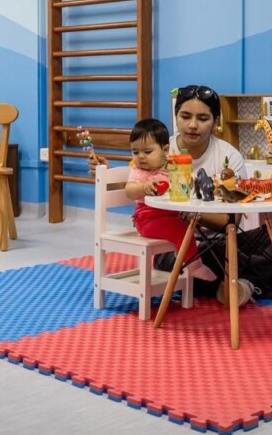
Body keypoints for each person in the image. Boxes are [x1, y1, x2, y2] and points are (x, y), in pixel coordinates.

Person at [88, 84, 256, 304]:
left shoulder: (228, 157)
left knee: (264, 244)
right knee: (182, 260)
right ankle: (233, 286)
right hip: (173, 243)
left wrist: (191, 213)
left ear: (216, 122)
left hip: (218, 239)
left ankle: (227, 285)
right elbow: (133, 183)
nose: (193, 125)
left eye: (203, 118)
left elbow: (230, 221)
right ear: (176, 117)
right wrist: (105, 174)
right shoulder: (158, 151)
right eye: (185, 116)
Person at [125, 118, 215, 281]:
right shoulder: (138, 171)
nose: (141, 157)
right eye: (135, 152)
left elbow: (184, 182)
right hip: (147, 220)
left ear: (165, 150)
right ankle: (194, 266)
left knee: (191, 226)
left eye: (147, 152)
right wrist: (144, 186)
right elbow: (129, 191)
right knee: (181, 230)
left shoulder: (171, 167)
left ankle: (185, 259)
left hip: (170, 216)